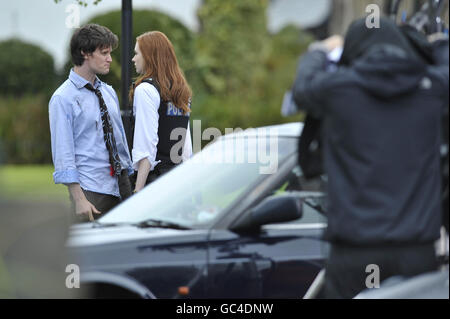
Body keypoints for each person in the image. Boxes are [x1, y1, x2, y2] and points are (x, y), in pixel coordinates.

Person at [291, 17, 449, 298]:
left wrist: (319, 50)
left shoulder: (338, 90)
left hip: (354, 252)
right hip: (416, 252)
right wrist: (438, 45)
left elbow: (303, 88)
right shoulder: (431, 88)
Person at [49, 24, 133, 222]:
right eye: (104, 53)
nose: (110, 59)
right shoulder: (63, 98)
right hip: (91, 191)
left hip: (121, 186)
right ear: (84, 53)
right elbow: (63, 153)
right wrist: (79, 199)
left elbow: (119, 142)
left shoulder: (108, 92)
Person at [129, 31, 192, 193]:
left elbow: (146, 145)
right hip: (178, 180)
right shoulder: (181, 90)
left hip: (154, 182)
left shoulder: (145, 90)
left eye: (137, 53)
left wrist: (137, 190)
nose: (133, 59)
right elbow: (186, 148)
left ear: (150, 56)